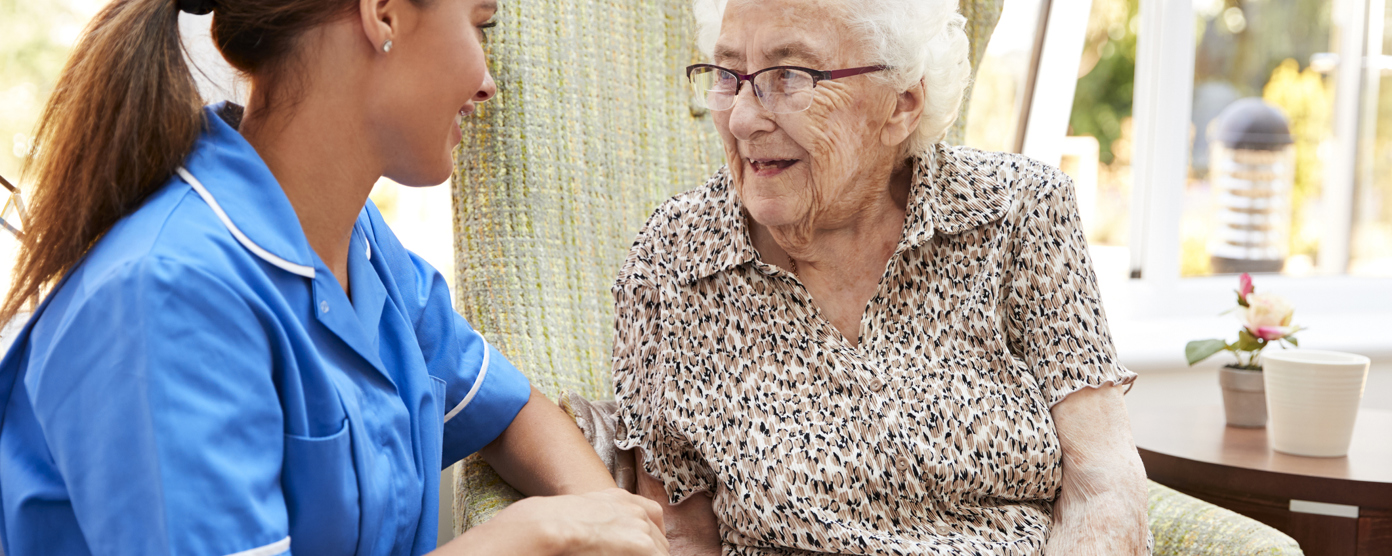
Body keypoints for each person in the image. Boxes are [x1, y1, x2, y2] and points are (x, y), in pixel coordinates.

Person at [0, 0, 667, 554]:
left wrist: (613, 520)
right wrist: (528, 536)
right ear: (382, 15)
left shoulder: (362, 248)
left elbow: (510, 412)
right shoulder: (166, 295)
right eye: (479, 25)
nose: (488, 81)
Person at [611, 0, 1150, 554]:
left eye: (790, 76)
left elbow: (1103, 486)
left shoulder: (1019, 213)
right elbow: (680, 530)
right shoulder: (674, 259)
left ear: (902, 104)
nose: (743, 119)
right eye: (729, 75)